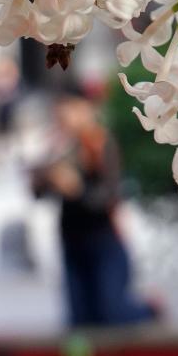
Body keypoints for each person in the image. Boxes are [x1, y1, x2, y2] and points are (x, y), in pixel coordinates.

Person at [32, 85, 159, 327]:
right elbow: (39, 193)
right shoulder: (58, 147)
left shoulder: (101, 143)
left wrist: (77, 189)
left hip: (103, 238)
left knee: (111, 311)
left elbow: (110, 195)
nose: (67, 118)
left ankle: (149, 311)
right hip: (72, 238)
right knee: (79, 317)